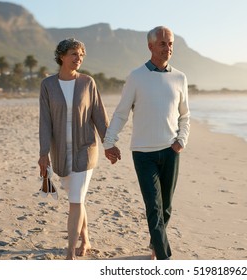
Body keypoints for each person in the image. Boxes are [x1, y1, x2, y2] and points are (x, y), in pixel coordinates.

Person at [104, 26, 190, 260]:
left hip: (171, 151)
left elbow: (185, 115)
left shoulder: (180, 78)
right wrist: (109, 142)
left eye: (170, 43)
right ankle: (164, 259)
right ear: (150, 46)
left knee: (166, 208)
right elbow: (121, 113)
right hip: (143, 153)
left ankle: (155, 245)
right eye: (162, 43)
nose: (168, 48)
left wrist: (181, 141)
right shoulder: (136, 77)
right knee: (154, 207)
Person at [38, 38, 111, 260]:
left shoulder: (88, 82)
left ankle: (70, 252)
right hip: (60, 153)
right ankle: (86, 239)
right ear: (61, 56)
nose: (78, 58)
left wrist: (109, 144)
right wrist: (43, 153)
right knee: (75, 197)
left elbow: (99, 114)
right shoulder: (48, 85)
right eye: (73, 53)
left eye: (81, 54)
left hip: (85, 150)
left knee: (76, 200)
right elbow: (45, 121)